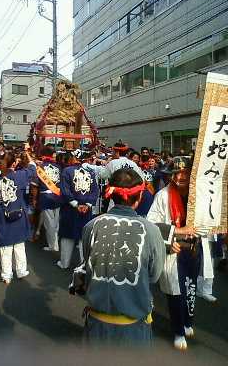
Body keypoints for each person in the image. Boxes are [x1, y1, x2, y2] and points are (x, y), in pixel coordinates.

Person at [82, 168, 165, 347]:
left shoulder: (91, 226)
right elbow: (154, 274)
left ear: (111, 195)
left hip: (97, 319)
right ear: (139, 197)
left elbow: (88, 262)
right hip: (133, 324)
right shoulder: (151, 230)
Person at [147, 156, 200, 350]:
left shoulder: (198, 195)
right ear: (170, 175)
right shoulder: (162, 195)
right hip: (174, 248)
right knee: (175, 292)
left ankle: (187, 322)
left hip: (194, 249)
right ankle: (178, 330)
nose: (181, 177)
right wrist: (172, 239)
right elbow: (151, 223)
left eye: (185, 172)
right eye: (177, 173)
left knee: (191, 289)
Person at [0, 144, 36, 284]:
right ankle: (20, 271)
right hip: (17, 214)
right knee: (19, 245)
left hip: (1, 215)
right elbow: (33, 167)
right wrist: (26, 151)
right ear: (13, 163)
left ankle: (6, 275)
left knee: (5, 248)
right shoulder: (19, 176)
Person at [58, 149, 98, 269]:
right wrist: (87, 204)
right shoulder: (90, 172)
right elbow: (95, 190)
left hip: (70, 208)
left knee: (67, 236)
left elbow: (65, 190)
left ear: (73, 158)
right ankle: (83, 264)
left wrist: (75, 204)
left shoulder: (67, 171)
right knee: (83, 237)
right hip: (86, 209)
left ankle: (64, 263)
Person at [32, 146, 62, 252]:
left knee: (49, 222)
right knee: (56, 222)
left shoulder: (40, 168)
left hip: (45, 196)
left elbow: (35, 186)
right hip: (57, 195)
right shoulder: (58, 167)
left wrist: (35, 199)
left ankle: (52, 245)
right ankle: (56, 243)